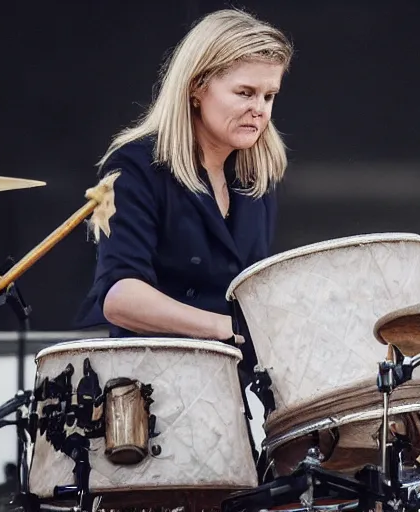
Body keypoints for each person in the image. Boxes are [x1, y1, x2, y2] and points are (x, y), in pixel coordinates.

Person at [75, 8, 293, 380]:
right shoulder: (134, 167)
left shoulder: (257, 175)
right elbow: (120, 297)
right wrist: (227, 328)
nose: (259, 110)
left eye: (269, 96)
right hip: (151, 389)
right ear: (197, 87)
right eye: (245, 92)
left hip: (230, 387)